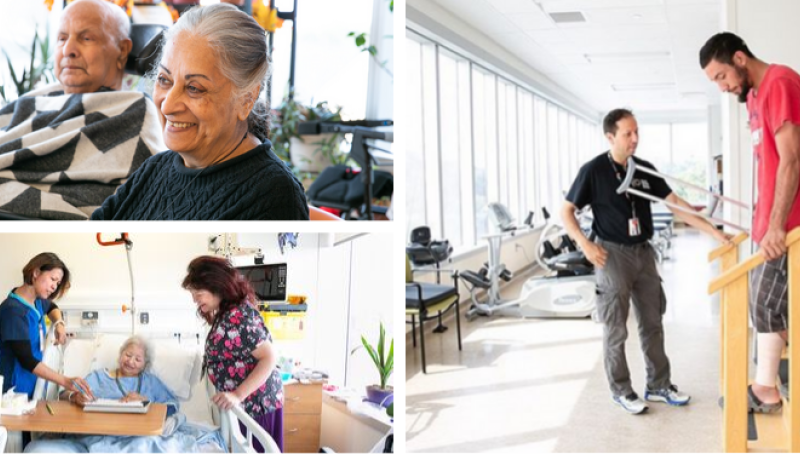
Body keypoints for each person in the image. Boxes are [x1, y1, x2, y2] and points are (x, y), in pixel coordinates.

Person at [561, 109, 732, 415]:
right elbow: (566, 211)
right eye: (628, 134)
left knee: (653, 323)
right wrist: (585, 245)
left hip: (644, 253)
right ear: (610, 137)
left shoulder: (645, 170)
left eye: (637, 132)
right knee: (616, 328)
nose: (635, 139)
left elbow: (677, 205)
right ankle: (621, 390)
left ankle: (658, 385)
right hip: (611, 255)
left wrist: (714, 232)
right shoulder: (593, 171)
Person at [91, 3, 309, 220]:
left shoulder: (274, 194)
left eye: (194, 88)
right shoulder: (155, 168)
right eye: (164, 80)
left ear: (246, 100)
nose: (167, 106)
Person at [700, 32, 800, 413]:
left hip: (788, 226)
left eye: (721, 77)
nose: (722, 87)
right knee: (767, 307)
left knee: (765, 305)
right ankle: (767, 386)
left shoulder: (780, 83)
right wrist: (758, 223)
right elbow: (767, 167)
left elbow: (791, 161)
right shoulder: (754, 98)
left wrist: (775, 227)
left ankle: (766, 389)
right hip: (770, 226)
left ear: (739, 58)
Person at [0, 0, 165, 219]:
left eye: (86, 38)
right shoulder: (32, 99)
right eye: (61, 39)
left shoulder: (133, 111)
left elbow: (146, 194)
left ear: (122, 50)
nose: (68, 50)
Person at [24, 336, 224, 453]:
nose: (131, 361)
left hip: (137, 436)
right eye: (128, 355)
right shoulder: (98, 377)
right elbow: (64, 394)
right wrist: (74, 397)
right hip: (97, 434)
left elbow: (172, 406)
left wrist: (147, 402)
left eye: (138, 359)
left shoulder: (150, 382)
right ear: (120, 355)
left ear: (145, 364)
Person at [182, 256, 284, 452]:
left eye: (198, 293)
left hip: (258, 404)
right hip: (246, 406)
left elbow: (269, 358)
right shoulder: (226, 315)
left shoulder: (239, 317)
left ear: (217, 287)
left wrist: (238, 394)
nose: (194, 299)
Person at [0, 253, 93, 399]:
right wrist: (65, 381)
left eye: (57, 283)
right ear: (36, 273)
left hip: (32, 388)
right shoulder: (13, 311)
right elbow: (27, 360)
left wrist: (59, 324)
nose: (54, 287)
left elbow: (52, 307)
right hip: (13, 393)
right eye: (53, 279)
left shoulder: (36, 301)